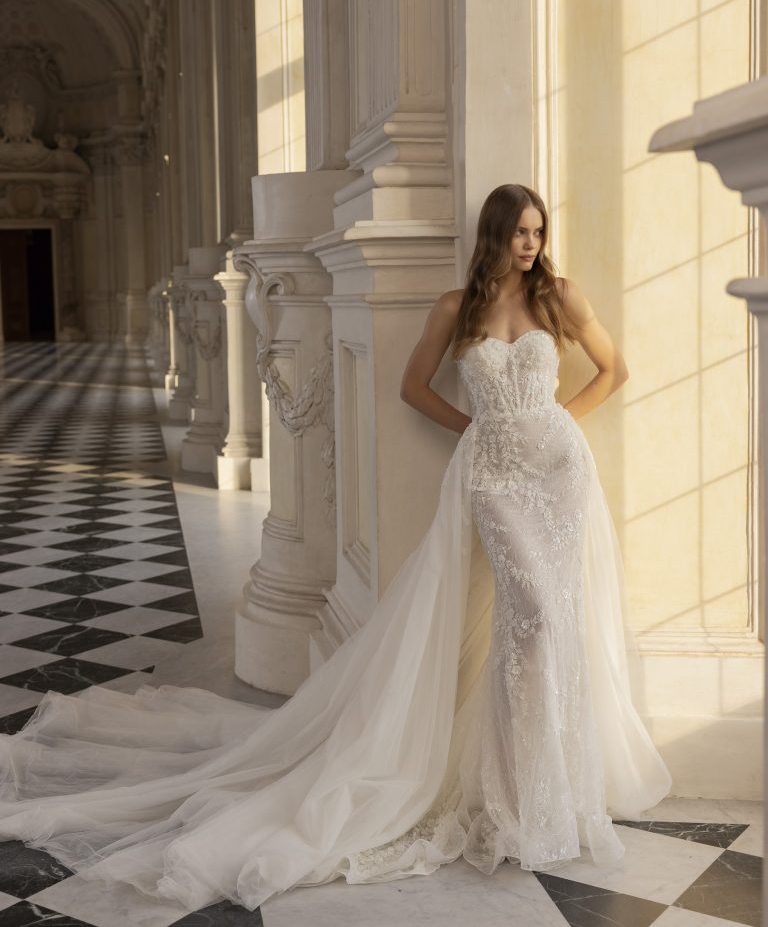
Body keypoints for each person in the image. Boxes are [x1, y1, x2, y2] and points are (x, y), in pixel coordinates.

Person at [0, 183, 672, 915]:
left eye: (538, 231)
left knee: (552, 626)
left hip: (557, 477)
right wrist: (482, 431)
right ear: (494, 235)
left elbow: (615, 370)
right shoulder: (459, 306)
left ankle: (552, 798)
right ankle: (514, 797)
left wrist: (553, 426)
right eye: (518, 232)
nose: (530, 244)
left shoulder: (560, 297)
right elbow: (414, 387)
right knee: (531, 620)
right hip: (493, 480)